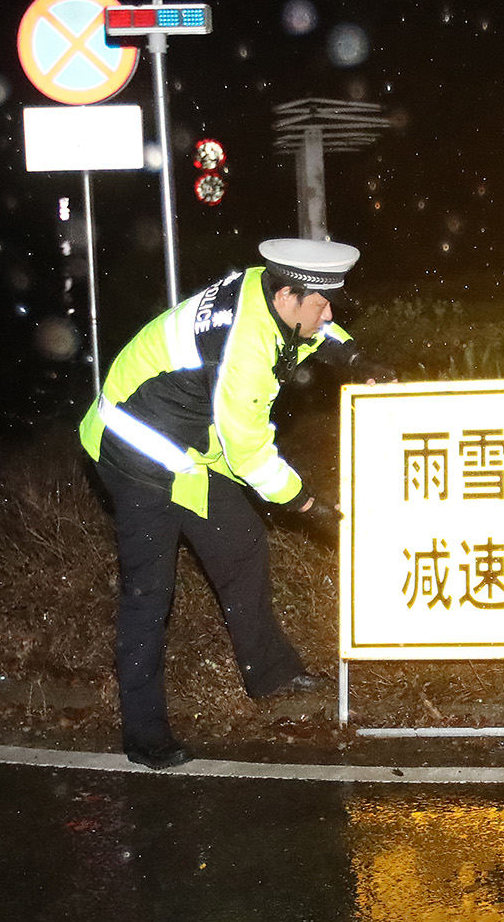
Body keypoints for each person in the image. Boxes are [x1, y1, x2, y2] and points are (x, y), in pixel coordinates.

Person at [78, 238, 388, 768]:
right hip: (135, 451)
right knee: (149, 594)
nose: (329, 314)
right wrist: (308, 505)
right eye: (321, 304)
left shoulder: (265, 285)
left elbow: (308, 332)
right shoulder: (244, 350)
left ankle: (271, 674)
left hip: (186, 443)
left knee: (241, 541)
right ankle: (144, 734)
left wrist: (355, 358)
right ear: (288, 296)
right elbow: (249, 455)